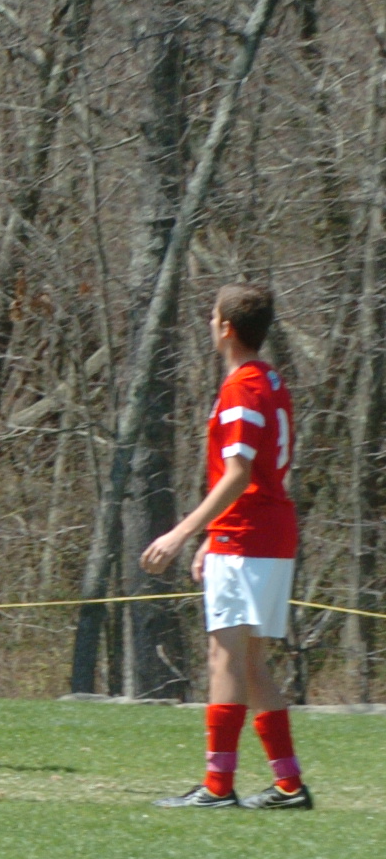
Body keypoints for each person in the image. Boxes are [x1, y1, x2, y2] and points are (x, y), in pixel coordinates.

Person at [142, 284, 310, 810]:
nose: (209, 323)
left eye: (213, 316)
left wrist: (181, 533)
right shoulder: (271, 380)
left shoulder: (242, 387)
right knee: (252, 662)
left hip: (248, 534)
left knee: (226, 658)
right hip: (264, 532)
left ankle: (218, 786)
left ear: (226, 328)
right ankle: (289, 785)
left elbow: (238, 474)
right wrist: (211, 537)